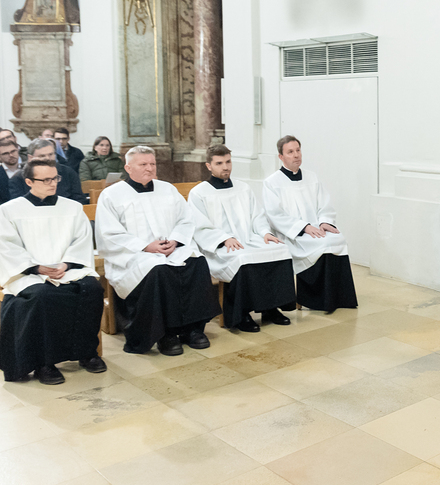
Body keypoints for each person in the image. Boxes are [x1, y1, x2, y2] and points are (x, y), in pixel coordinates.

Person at [95, 146, 220, 355]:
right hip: (134, 255)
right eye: (143, 164)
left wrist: (176, 240)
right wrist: (145, 246)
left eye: (152, 164)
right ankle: (165, 334)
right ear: (128, 168)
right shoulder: (111, 195)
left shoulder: (167, 189)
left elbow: (186, 219)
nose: (149, 168)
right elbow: (108, 235)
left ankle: (192, 329)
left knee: (196, 262)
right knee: (159, 271)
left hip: (170, 248)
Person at [0, 159, 104, 384]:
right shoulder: (9, 210)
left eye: (55, 178)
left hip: (66, 269)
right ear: (29, 181)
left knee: (92, 288)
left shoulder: (72, 207)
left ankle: (87, 353)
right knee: (43, 295)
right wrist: (37, 267)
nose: (53, 183)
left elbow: (81, 240)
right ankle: (44, 363)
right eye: (45, 180)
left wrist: (67, 264)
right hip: (28, 273)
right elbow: (7, 246)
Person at [189, 145, 296, 332]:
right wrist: (223, 238)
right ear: (208, 166)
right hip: (219, 246)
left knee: (281, 250)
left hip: (249, 238)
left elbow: (257, 216)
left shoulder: (243, 188)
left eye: (228, 162)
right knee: (243, 258)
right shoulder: (199, 193)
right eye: (219, 163)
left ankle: (271, 308)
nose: (225, 167)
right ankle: (242, 314)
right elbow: (199, 226)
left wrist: (265, 233)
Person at [262, 136, 358, 313]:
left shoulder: (311, 177)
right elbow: (275, 215)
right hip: (292, 233)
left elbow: (324, 204)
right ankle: (317, 299)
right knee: (323, 243)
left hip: (315, 228)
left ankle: (339, 298)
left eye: (298, 150)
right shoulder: (272, 182)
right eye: (290, 152)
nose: (296, 155)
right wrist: (304, 227)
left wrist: (325, 222)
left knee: (337, 239)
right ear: (281, 157)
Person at [8, 138, 87, 204]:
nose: (48, 159)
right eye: (42, 156)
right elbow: (18, 205)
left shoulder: (68, 172)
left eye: (50, 154)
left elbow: (79, 199)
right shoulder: (18, 179)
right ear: (30, 157)